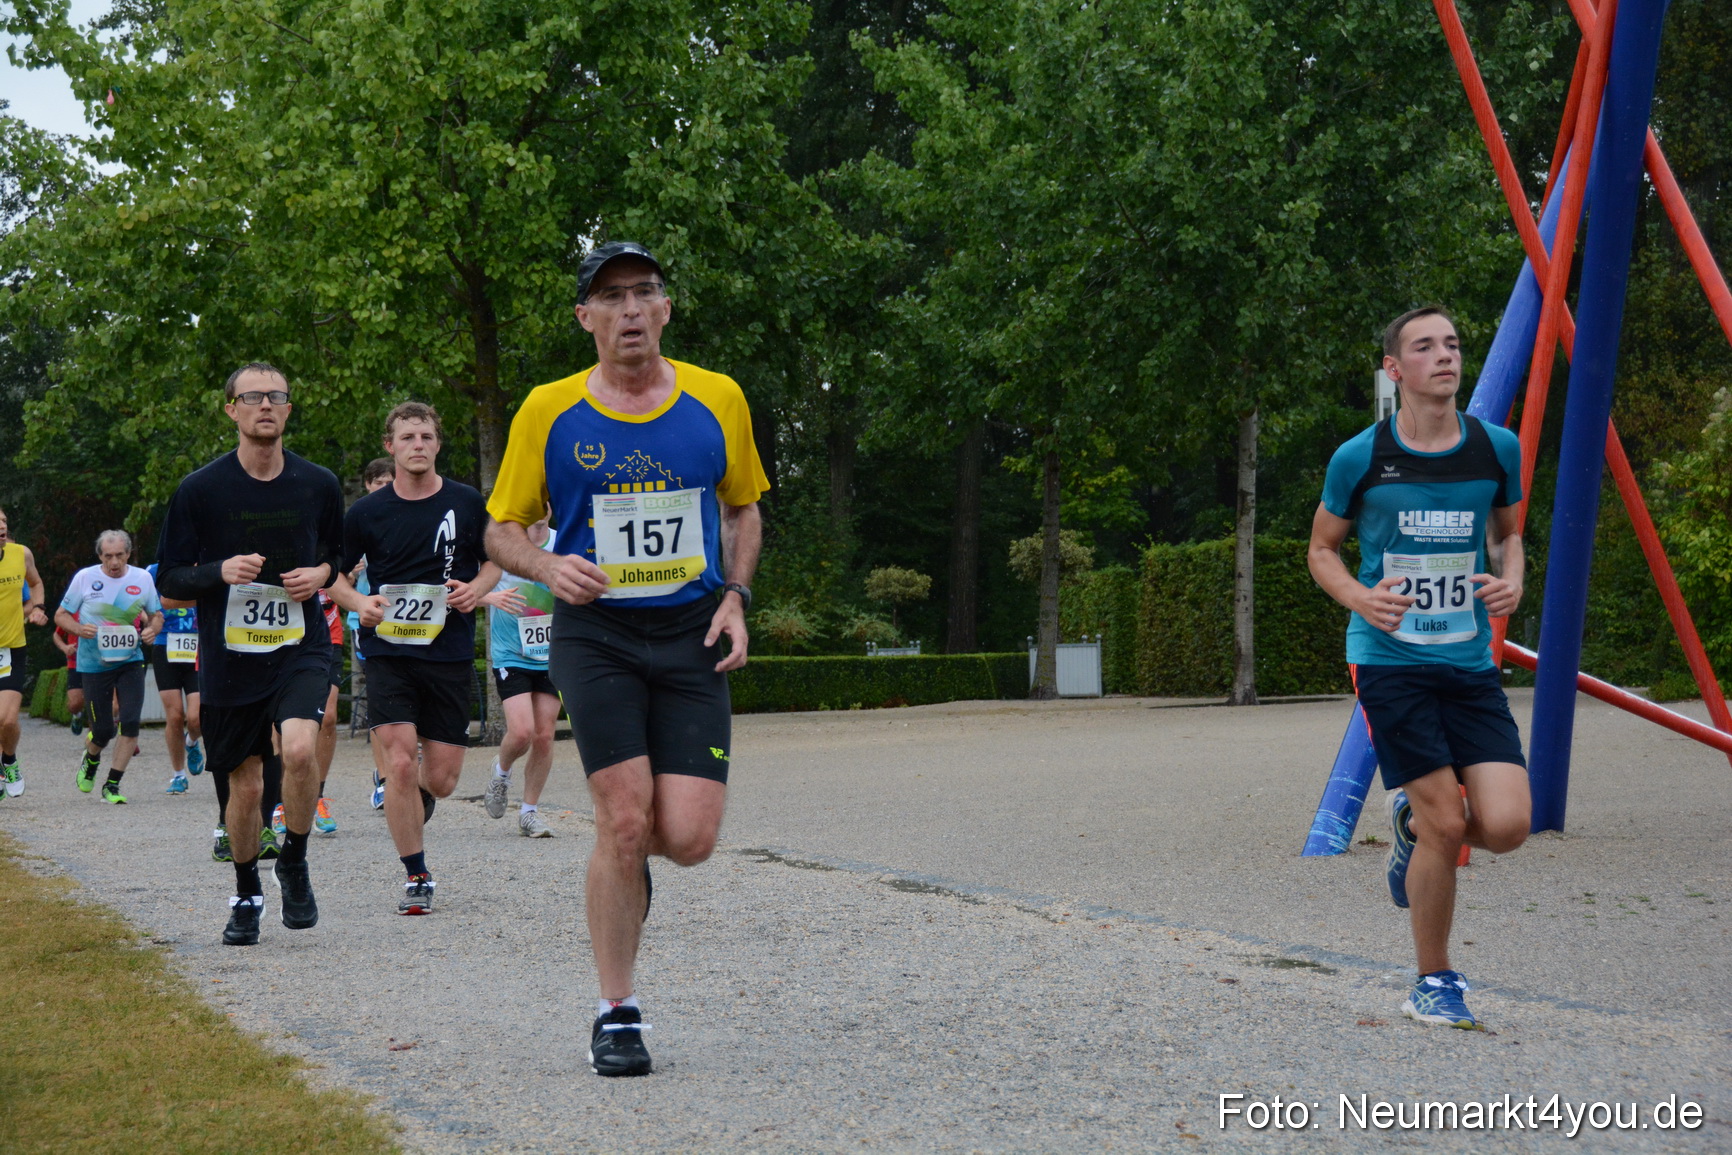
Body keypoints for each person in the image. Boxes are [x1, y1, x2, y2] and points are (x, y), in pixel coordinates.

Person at [485, 241, 766, 1076]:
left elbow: (744, 511)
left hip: (690, 634)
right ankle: (618, 1010)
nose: (631, 309)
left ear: (667, 308)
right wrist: (544, 564)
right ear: (586, 318)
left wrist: (736, 597)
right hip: (595, 632)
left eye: (644, 291)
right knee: (622, 817)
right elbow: (503, 527)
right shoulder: (547, 409)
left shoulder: (718, 399)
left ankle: (628, 863)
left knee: (686, 836)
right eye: (611, 297)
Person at [1307, 306, 1529, 1031]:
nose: (1445, 355)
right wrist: (1360, 598)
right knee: (1447, 819)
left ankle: (1406, 822)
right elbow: (1321, 550)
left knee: (1504, 825)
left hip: (1466, 661)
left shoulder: (1497, 448)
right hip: (1390, 661)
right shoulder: (1359, 457)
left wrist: (1512, 580)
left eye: (1454, 344)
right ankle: (1433, 981)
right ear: (1394, 370)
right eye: (1425, 346)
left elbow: (1510, 535)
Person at [156, 362, 345, 947]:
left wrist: (320, 573)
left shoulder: (319, 484)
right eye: (253, 396)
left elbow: (335, 558)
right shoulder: (200, 490)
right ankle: (246, 892)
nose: (266, 404)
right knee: (243, 787)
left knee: (297, 750)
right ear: (231, 410)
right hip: (231, 658)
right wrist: (220, 571)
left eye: (277, 396)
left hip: (300, 647)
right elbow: (170, 582)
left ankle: (294, 856)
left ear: (288, 410)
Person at [331, 402, 497, 915]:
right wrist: (360, 604)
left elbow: (496, 560)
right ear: (391, 447)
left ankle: (418, 797)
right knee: (400, 761)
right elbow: (330, 574)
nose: (417, 445)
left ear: (438, 443)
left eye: (426, 436)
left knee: (442, 779)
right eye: (407, 438)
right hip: (389, 652)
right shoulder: (364, 512)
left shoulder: (467, 502)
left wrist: (476, 588)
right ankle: (416, 874)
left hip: (447, 652)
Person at [54, 531, 163, 803]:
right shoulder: (85, 578)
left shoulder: (142, 578)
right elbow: (60, 615)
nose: (114, 562)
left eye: (119, 555)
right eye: (108, 556)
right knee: (103, 730)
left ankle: (112, 785)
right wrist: (79, 629)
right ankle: (91, 760)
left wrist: (152, 630)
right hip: (93, 664)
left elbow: (156, 614)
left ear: (128, 554)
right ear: (100, 556)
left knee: (129, 722)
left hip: (130, 661)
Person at [479, 509, 561, 837]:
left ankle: (529, 812)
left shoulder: (563, 541)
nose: (540, 508)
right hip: (511, 654)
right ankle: (501, 773)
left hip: (552, 654)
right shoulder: (504, 545)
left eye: (545, 501)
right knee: (523, 731)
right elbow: (463, 591)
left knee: (544, 735)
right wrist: (490, 597)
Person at [347, 456, 395, 811]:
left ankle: (405, 770)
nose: (383, 488)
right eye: (377, 482)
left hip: (407, 622)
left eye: (388, 482)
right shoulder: (358, 520)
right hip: (365, 623)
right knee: (380, 700)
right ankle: (382, 778)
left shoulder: (406, 513)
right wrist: (352, 572)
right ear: (367, 485)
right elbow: (334, 581)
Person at [0, 507, 50, 797]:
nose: (2, 527)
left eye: (4, 521)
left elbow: (36, 583)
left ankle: (9, 760)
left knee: (7, 719)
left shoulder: (22, 554)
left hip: (11, 648)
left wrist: (39, 608)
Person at [147, 562, 206, 794]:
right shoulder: (155, 570)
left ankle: (191, 741)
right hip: (166, 647)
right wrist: (150, 624)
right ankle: (178, 775)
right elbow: (143, 604)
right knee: (174, 715)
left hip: (198, 647)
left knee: (196, 717)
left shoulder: (207, 565)